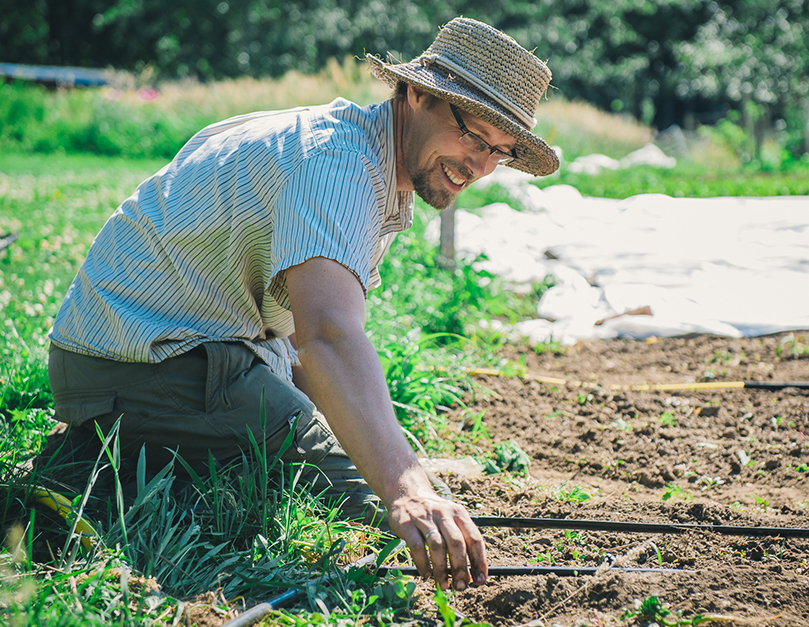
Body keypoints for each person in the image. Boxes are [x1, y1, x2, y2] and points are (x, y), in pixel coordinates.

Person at [45, 17, 559, 591]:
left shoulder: (359, 151)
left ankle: (114, 449)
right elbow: (328, 335)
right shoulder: (337, 165)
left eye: (500, 152)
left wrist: (346, 438)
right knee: (370, 506)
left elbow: (297, 335)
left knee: (347, 459)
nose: (481, 166)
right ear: (418, 95)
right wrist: (406, 490)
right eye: (475, 136)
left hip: (158, 351)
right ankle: (99, 467)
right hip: (148, 359)